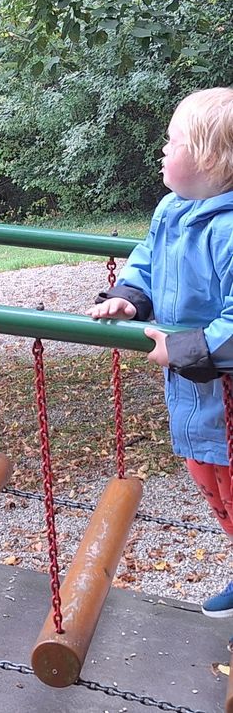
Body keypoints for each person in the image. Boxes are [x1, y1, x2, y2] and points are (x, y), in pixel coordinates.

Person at [88, 87, 233, 623]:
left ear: (211, 159)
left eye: (173, 142)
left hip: (221, 389)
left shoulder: (228, 229)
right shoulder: (171, 210)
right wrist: (129, 296)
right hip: (195, 394)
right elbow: (146, 261)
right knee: (209, 479)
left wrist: (184, 347)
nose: (162, 150)